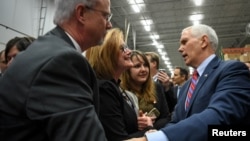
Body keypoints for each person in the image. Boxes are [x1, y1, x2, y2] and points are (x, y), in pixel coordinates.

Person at [0, 0, 112, 141]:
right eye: (106, 16)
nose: (109, 24)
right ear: (81, 13)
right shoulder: (63, 62)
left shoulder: (45, 50)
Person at [125, 24, 250, 141]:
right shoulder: (187, 87)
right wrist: (153, 132)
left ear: (204, 42)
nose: (180, 49)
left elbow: (220, 115)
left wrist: (155, 138)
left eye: (184, 42)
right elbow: (176, 121)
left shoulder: (232, 70)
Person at [86, 28, 154, 141]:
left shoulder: (116, 87)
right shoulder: (104, 88)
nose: (129, 51)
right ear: (108, 53)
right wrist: (151, 134)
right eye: (123, 48)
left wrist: (145, 126)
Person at [120, 50, 171, 130]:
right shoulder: (120, 91)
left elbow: (166, 117)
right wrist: (134, 124)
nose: (143, 69)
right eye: (137, 66)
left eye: (146, 65)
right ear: (127, 70)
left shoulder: (156, 87)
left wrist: (150, 124)